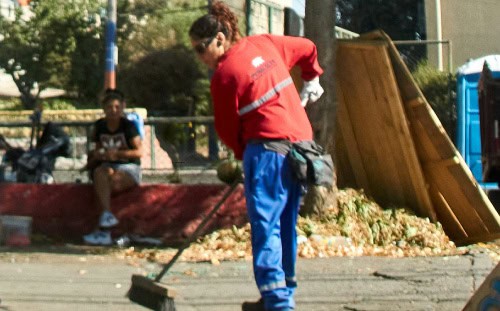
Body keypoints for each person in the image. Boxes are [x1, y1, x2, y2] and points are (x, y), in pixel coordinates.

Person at [189, 2, 324, 311]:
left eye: (200, 49)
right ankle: (279, 295)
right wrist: (312, 78)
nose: (200, 57)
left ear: (220, 39)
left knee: (266, 228)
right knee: (286, 223)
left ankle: (278, 304)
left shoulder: (224, 75)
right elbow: (308, 48)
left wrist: (243, 158)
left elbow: (226, 129)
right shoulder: (266, 42)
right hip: (301, 148)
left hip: (266, 152)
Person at [82, 89, 143, 246]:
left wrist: (118, 154)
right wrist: (101, 155)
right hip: (107, 166)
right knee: (100, 174)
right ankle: (107, 219)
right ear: (104, 109)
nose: (113, 110)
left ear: (122, 107)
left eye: (117, 107)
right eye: (109, 107)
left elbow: (139, 151)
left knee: (104, 185)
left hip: (128, 168)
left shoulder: (128, 126)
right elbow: (97, 148)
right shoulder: (100, 126)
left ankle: (103, 231)